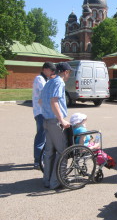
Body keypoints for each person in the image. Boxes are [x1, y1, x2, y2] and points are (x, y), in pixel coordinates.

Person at [40, 62, 73, 190]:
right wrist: (61, 120)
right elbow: (54, 101)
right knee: (62, 151)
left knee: (49, 152)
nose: (69, 75)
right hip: (54, 121)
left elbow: (40, 100)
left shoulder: (49, 82)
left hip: (46, 120)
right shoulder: (59, 82)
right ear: (65, 72)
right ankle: (57, 181)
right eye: (69, 72)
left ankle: (47, 180)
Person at [32, 62, 56, 169]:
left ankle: (42, 158)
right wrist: (53, 81)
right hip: (40, 112)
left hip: (45, 112)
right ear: (45, 69)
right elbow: (46, 91)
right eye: (51, 71)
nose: (52, 73)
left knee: (46, 136)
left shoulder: (45, 79)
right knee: (41, 136)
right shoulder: (39, 79)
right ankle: (37, 160)